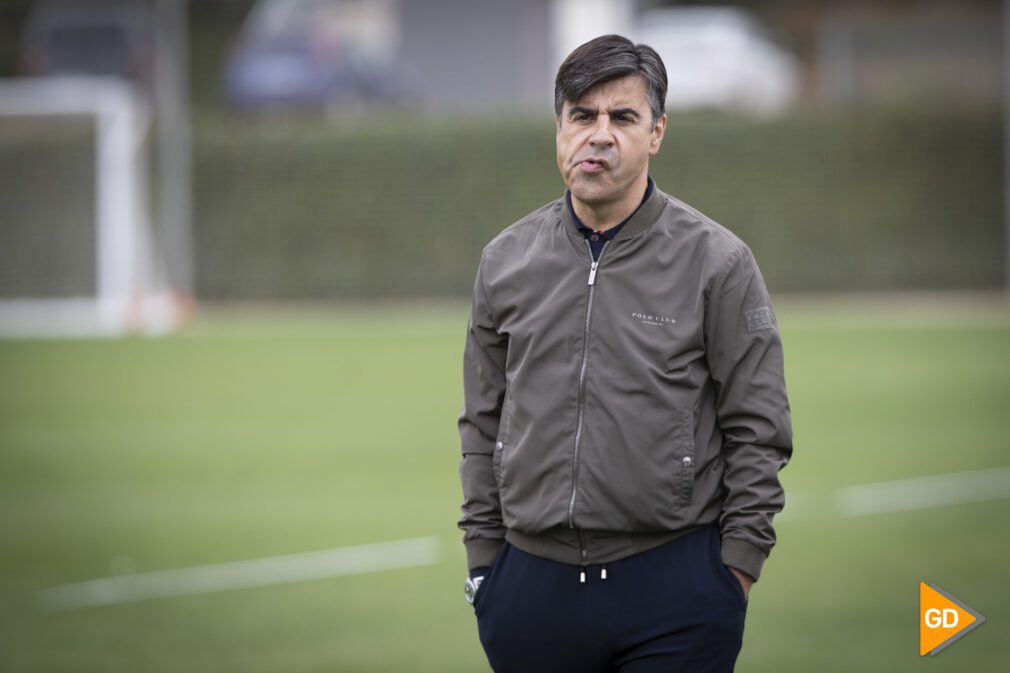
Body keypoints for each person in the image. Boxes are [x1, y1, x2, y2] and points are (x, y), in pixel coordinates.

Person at [457, 34, 792, 673]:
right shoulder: (505, 262)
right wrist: (484, 565)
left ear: (657, 132)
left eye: (623, 116)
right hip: (530, 588)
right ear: (559, 129)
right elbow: (482, 423)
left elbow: (759, 428)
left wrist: (736, 572)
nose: (599, 134)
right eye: (582, 115)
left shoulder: (718, 263)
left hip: (677, 587)